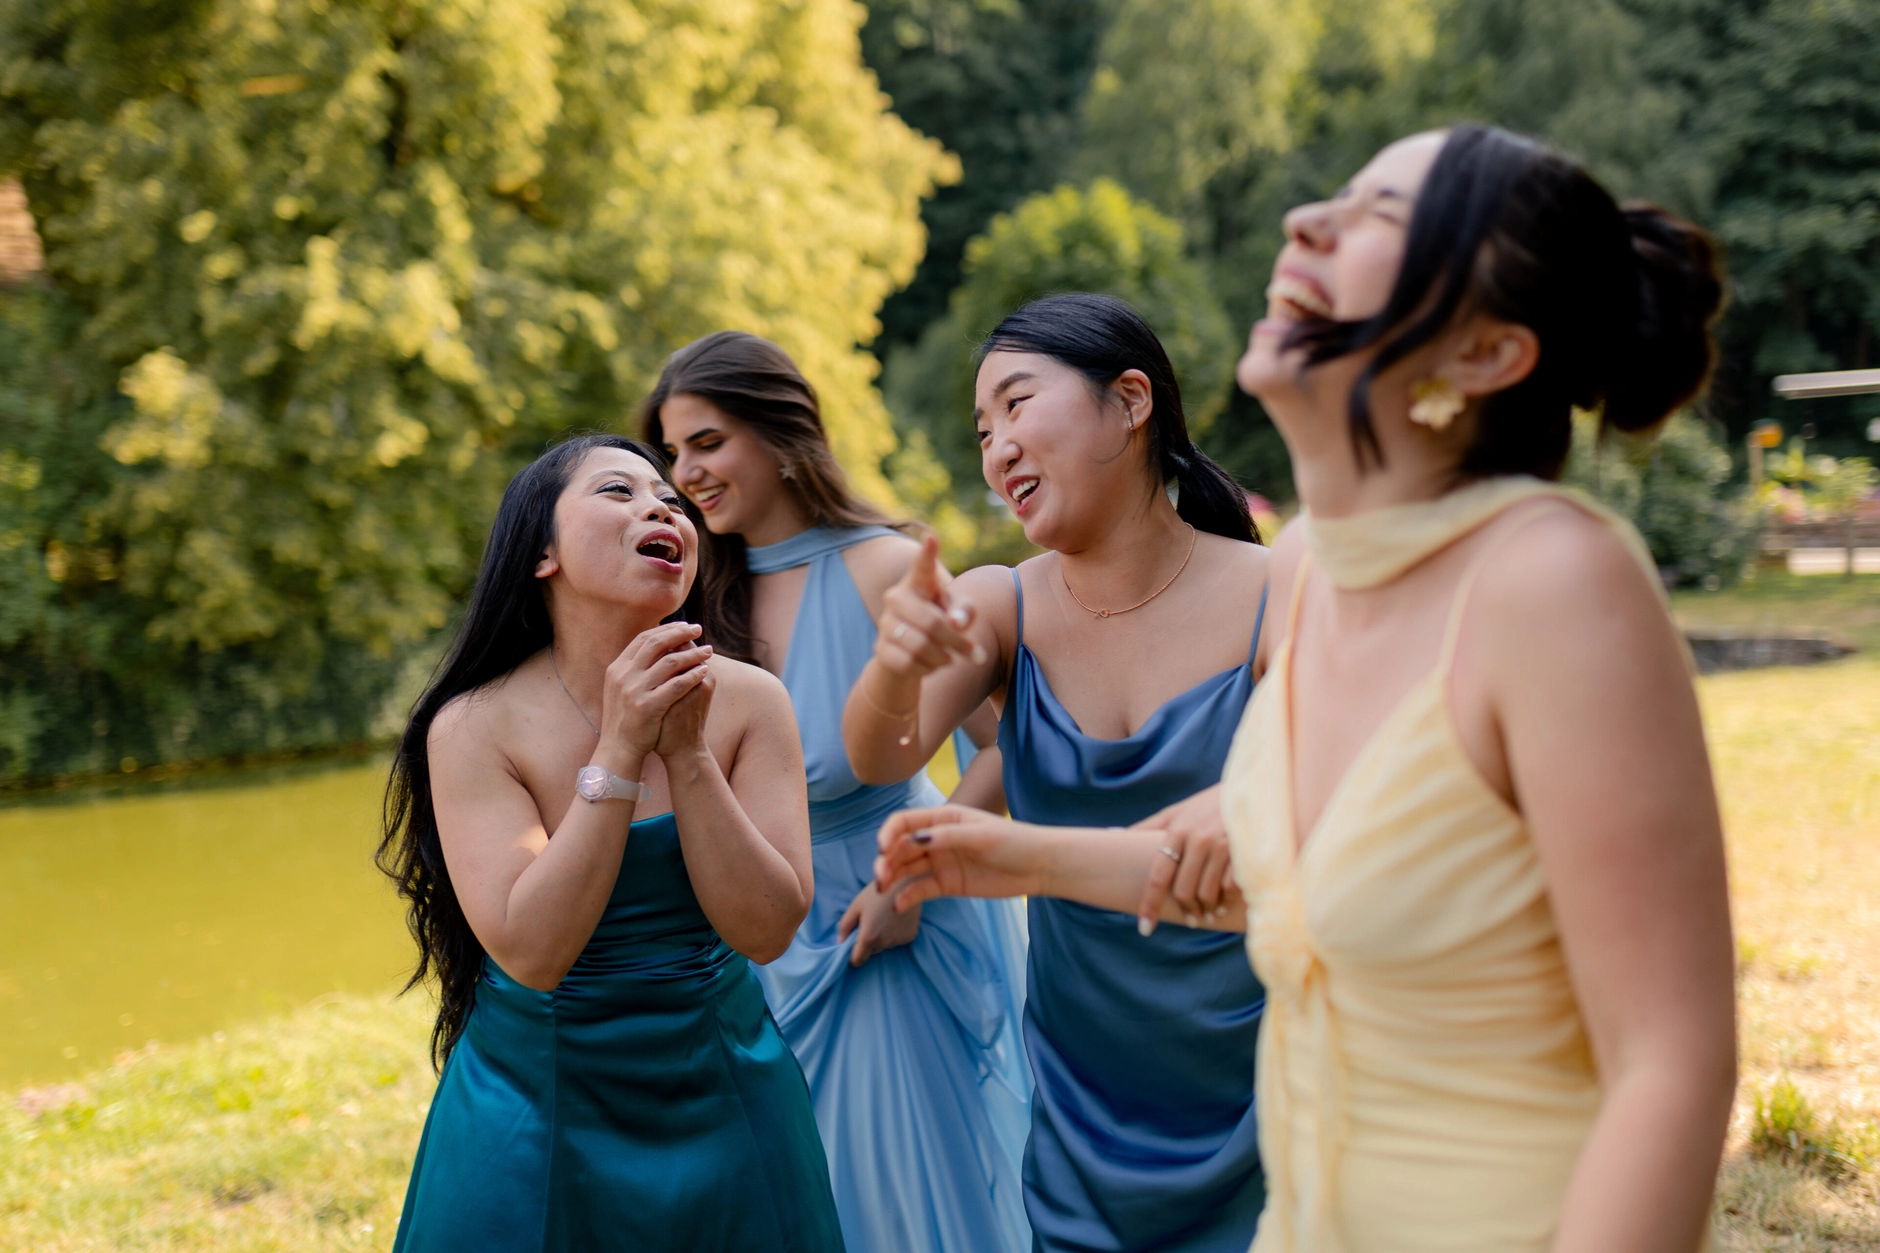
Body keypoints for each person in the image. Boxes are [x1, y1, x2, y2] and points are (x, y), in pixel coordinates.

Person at [874, 125, 1738, 1253]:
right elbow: (1292, 877)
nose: (1305, 222)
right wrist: (1007, 857)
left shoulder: (1551, 582)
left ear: (1482, 355)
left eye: (1380, 212)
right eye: (1333, 194)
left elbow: (1669, 1067)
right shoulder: (1312, 577)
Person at [843, 294, 1273, 1253]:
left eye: (1017, 404)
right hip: (1086, 1094)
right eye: (982, 430)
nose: (996, 448)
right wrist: (893, 665)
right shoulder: (1001, 604)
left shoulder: (1278, 596)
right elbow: (884, 754)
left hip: (1271, 1076)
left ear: (1129, 402)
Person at [377, 433, 843, 1252]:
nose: (661, 505)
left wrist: (688, 753)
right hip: (537, 1102)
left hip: (726, 1091)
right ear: (542, 554)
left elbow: (767, 928)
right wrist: (620, 750)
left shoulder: (752, 702)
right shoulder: (475, 726)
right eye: (618, 492)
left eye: (667, 497)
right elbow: (532, 951)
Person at [642, 331, 1031, 1253]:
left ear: (779, 434)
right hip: (754, 936)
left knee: (901, 1199)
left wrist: (916, 877)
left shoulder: (884, 570)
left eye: (706, 442)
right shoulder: (694, 597)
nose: (682, 473)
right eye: (670, 450)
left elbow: (1012, 742)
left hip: (881, 927)